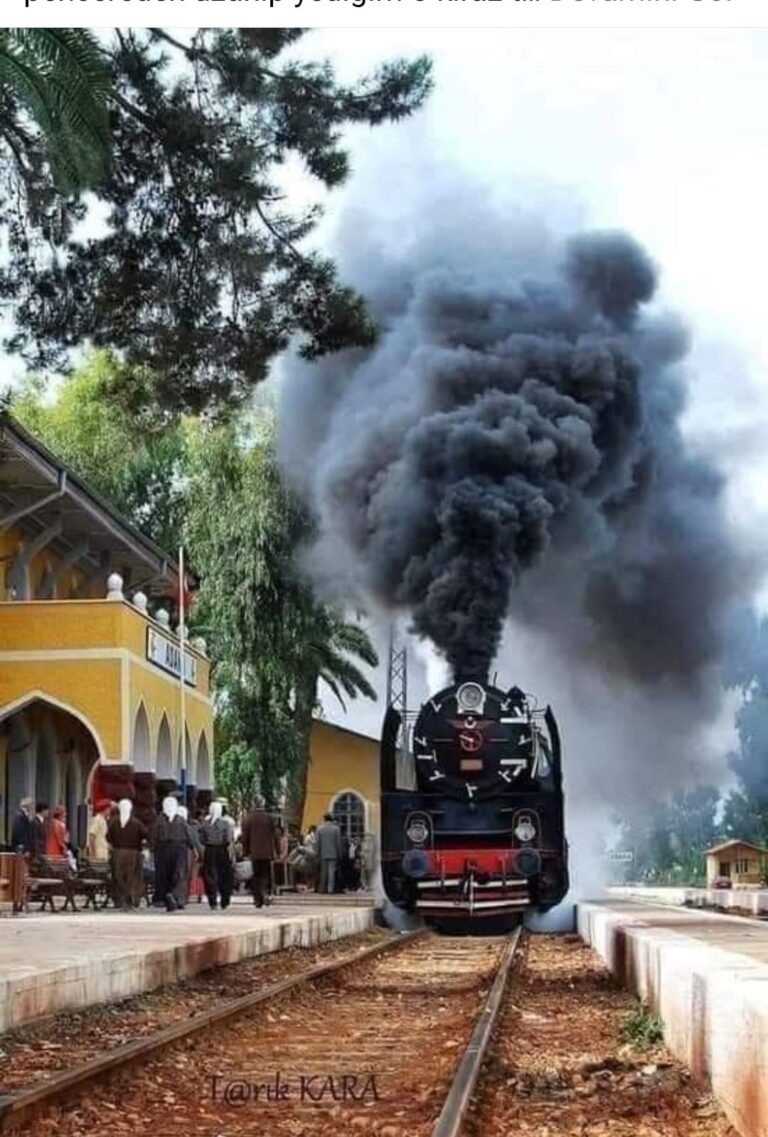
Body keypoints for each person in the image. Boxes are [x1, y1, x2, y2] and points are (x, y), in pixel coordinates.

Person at [153, 796, 193, 912]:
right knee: (179, 874)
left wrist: (152, 849)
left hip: (163, 850)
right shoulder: (180, 821)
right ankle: (177, 897)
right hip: (179, 849)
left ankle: (164, 899)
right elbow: (190, 836)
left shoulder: (159, 820)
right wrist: (195, 849)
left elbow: (154, 837)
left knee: (163, 875)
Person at [107, 799, 148, 910]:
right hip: (133, 853)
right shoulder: (136, 823)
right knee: (132, 877)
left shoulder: (114, 822)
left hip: (117, 853)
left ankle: (120, 900)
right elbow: (145, 836)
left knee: (118, 877)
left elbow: (108, 838)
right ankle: (131, 899)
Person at [241, 794, 276, 907]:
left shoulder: (248, 818)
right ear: (263, 803)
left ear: (253, 804)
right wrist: (277, 850)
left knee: (256, 875)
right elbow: (275, 836)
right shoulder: (269, 818)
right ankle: (265, 892)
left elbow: (245, 837)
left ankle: (258, 899)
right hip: (267, 852)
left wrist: (245, 852)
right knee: (266, 874)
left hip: (254, 852)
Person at [199, 802, 235, 910]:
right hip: (222, 851)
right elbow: (228, 839)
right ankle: (224, 900)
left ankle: (213, 901)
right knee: (224, 876)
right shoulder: (225, 824)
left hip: (209, 851)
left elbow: (201, 839)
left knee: (210, 876)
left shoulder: (205, 824)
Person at [174, 804, 201, 907]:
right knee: (184, 875)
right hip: (185, 852)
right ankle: (182, 897)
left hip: (175, 851)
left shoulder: (171, 824)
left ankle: (177, 896)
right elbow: (193, 841)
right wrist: (198, 851)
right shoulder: (188, 826)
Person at [316, 813, 343, 894]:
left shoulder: (319, 829)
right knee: (331, 871)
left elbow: (318, 842)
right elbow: (338, 842)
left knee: (323, 872)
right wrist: (339, 853)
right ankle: (330, 889)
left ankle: (322, 888)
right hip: (333, 853)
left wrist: (317, 852)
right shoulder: (336, 829)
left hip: (323, 853)